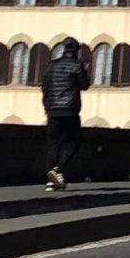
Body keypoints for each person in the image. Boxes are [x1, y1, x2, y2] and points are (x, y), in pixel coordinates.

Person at [40, 37, 90, 191]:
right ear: (76, 50)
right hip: (69, 110)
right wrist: (85, 71)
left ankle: (51, 180)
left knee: (53, 143)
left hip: (52, 110)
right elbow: (85, 85)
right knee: (74, 141)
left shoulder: (51, 66)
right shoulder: (76, 66)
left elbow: (45, 87)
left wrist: (47, 106)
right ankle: (57, 169)